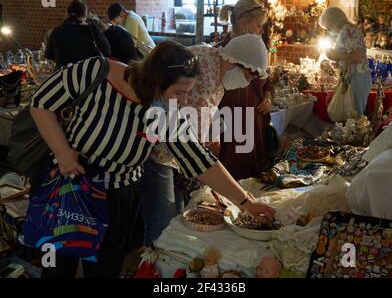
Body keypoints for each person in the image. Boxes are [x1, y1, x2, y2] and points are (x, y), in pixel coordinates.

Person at [29, 40, 275, 278]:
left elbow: (197, 158)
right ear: (155, 82)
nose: (184, 102)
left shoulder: (164, 112)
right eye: (180, 92)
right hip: (70, 184)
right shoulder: (95, 70)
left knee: (105, 265)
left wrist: (246, 203)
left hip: (117, 193)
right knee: (58, 264)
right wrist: (62, 152)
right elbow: (41, 102)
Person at [141, 34, 269, 245]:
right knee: (162, 222)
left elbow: (208, 112)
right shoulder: (203, 72)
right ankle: (153, 266)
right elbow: (191, 148)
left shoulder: (216, 63)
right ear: (233, 61)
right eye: (247, 76)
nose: (247, 83)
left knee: (176, 217)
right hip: (160, 153)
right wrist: (244, 200)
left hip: (180, 152)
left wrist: (213, 135)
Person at [215, 0, 274, 180]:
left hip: (253, 120)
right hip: (231, 124)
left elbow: (267, 78)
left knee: (253, 177)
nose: (261, 30)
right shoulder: (220, 53)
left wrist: (268, 96)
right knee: (233, 174)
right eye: (258, 25)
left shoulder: (256, 49)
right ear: (242, 23)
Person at [319, 7, 372, 117]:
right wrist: (338, 61)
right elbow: (349, 55)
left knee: (354, 115)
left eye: (328, 27)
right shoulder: (348, 30)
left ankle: (356, 134)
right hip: (356, 76)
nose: (328, 30)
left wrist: (334, 55)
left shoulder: (347, 30)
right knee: (352, 113)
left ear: (333, 21)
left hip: (357, 76)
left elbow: (357, 57)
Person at [45, 0, 110, 69]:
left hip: (63, 75)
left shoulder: (57, 31)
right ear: (85, 14)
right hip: (87, 75)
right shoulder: (91, 29)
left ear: (68, 13)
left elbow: (48, 55)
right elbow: (106, 51)